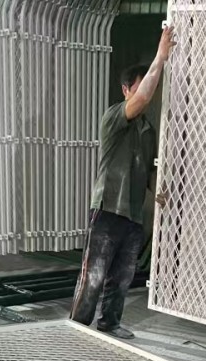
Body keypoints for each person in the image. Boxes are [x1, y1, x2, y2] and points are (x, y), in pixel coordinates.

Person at [70, 25, 175, 340]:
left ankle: (110, 323)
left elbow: (149, 168)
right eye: (141, 87)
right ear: (126, 90)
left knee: (122, 275)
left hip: (132, 215)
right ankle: (76, 327)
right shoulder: (114, 117)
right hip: (108, 209)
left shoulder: (147, 130)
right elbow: (142, 100)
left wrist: (158, 191)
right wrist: (160, 57)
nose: (148, 94)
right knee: (93, 275)